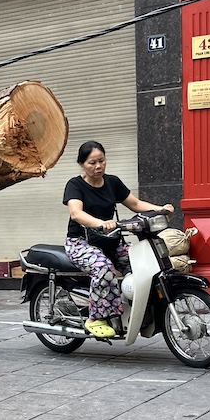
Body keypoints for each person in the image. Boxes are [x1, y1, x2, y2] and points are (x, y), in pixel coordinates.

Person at [63, 140, 173, 339]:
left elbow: (136, 203)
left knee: (143, 265)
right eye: (92, 163)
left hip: (111, 240)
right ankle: (95, 318)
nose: (98, 166)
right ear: (82, 164)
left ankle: (133, 312)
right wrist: (100, 223)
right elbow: (76, 213)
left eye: (101, 161)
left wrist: (161, 209)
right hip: (81, 243)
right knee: (104, 268)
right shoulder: (75, 185)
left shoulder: (112, 182)